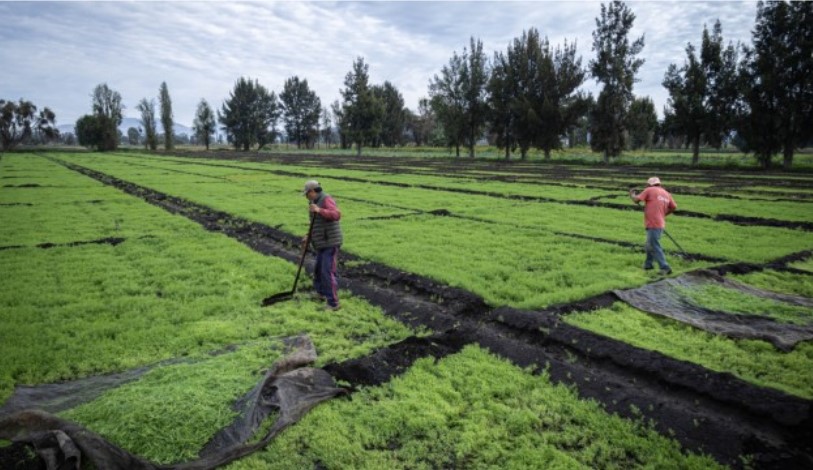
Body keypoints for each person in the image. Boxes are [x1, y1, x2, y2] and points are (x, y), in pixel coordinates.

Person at [302, 180, 343, 311]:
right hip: (321, 242)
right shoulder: (313, 202)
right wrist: (308, 235)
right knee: (318, 270)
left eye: (307, 194)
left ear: (312, 191)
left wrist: (319, 210)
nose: (306, 196)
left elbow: (336, 214)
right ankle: (320, 293)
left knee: (327, 272)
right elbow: (315, 223)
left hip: (330, 241)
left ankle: (333, 303)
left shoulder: (326, 199)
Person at [629, 177, 677, 275]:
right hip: (659, 223)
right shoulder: (666, 193)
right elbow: (674, 207)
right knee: (649, 244)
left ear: (649, 184)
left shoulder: (649, 190)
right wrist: (663, 214)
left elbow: (636, 200)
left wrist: (632, 194)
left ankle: (665, 267)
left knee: (654, 245)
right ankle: (648, 264)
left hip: (653, 223)